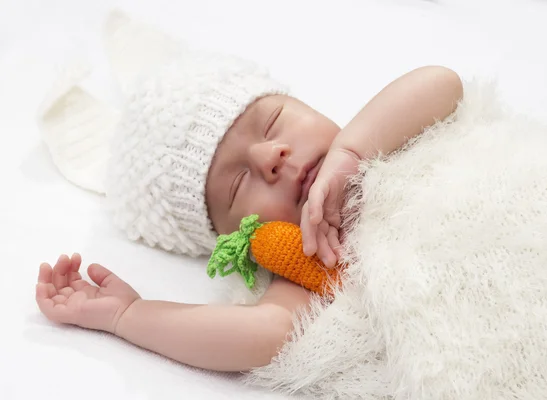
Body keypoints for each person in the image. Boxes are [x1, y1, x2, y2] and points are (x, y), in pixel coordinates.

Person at [35, 46, 463, 372]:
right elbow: (264, 335)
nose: (269, 157)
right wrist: (127, 315)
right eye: (239, 183)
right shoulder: (306, 263)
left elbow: (442, 82)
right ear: (235, 239)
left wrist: (350, 153)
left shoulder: (386, 138)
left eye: (273, 121)